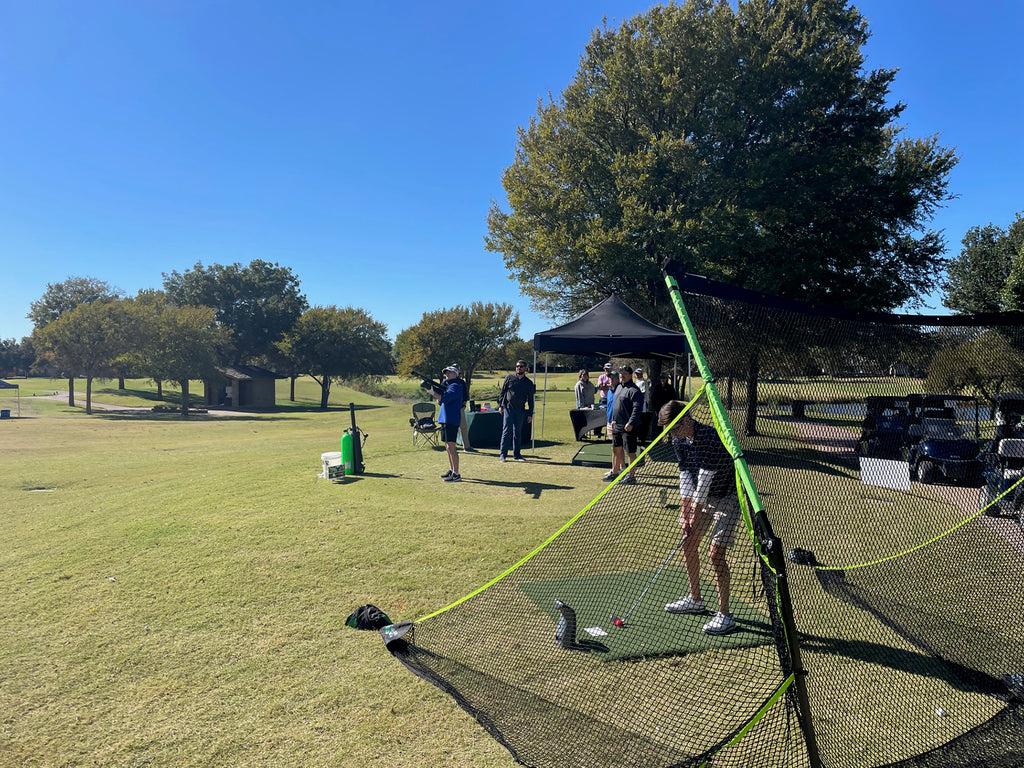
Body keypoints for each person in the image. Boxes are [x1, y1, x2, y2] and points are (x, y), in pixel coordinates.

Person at [659, 400, 739, 635]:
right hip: (702, 496)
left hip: (727, 497)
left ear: (685, 420)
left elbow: (704, 481)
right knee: (688, 541)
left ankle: (725, 615)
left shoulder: (710, 438)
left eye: (673, 428)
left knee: (716, 554)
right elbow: (685, 476)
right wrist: (685, 517)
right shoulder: (679, 440)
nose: (671, 435)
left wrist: (693, 514)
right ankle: (696, 600)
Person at [605, 365, 643, 485]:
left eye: (625, 374)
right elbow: (616, 405)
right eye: (621, 374)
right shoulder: (619, 388)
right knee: (615, 449)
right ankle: (615, 473)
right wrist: (614, 420)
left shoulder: (634, 390)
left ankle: (631, 477)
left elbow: (637, 409)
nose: (622, 376)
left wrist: (631, 422)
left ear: (630, 375)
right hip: (617, 424)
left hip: (629, 426)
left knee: (630, 452)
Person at [497, 359, 535, 462]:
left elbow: (531, 399)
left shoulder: (528, 383)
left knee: (517, 432)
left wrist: (530, 413)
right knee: (506, 432)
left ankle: (517, 455)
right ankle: (503, 455)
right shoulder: (509, 378)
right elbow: (503, 392)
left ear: (525, 369)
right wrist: (500, 405)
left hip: (520, 410)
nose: (519, 368)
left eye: (521, 366)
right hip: (508, 408)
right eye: (517, 366)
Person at [434, 365, 464, 482]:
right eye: (446, 373)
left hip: (451, 419)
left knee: (452, 447)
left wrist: (433, 393)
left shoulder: (456, 386)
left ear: (455, 374)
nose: (447, 375)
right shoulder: (448, 386)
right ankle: (452, 470)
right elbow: (441, 401)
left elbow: (445, 398)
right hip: (445, 419)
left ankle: (456, 473)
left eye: (450, 373)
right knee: (447, 446)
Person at [449, 363, 475, 452]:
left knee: (463, 427)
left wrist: (464, 404)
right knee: (451, 428)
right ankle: (452, 447)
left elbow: (465, 395)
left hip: (459, 408)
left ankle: (466, 446)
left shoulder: (461, 382)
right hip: (449, 409)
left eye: (457, 369)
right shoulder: (446, 382)